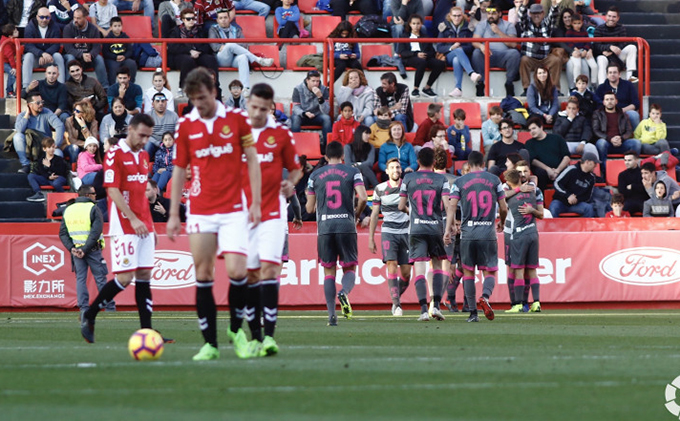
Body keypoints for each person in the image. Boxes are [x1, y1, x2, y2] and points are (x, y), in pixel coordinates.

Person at [166, 67, 262, 361]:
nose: (200, 104)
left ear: (214, 92)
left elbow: (252, 161)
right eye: (194, 99)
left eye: (203, 97)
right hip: (201, 210)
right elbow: (180, 169)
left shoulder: (236, 120)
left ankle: (237, 331)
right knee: (203, 274)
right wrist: (173, 214)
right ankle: (209, 343)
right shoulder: (185, 125)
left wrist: (255, 202)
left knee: (237, 271)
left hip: (234, 208)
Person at [80, 113, 162, 344]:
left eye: (148, 136)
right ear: (131, 129)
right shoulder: (115, 153)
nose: (145, 140)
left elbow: (141, 193)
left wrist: (150, 224)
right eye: (142, 135)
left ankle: (148, 331)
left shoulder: (144, 155)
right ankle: (91, 313)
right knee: (125, 278)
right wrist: (133, 219)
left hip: (143, 223)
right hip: (125, 225)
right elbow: (113, 190)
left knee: (145, 275)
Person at [241, 83, 302, 357]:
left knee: (269, 271)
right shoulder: (235, 132)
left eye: (263, 109)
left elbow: (297, 169)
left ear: (270, 108)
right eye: (253, 107)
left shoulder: (280, 134)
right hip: (243, 213)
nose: (257, 113)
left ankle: (269, 337)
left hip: (274, 212)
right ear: (247, 104)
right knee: (251, 274)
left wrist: (290, 183)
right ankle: (253, 335)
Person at [306, 140, 367, 326]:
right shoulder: (353, 172)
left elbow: (309, 208)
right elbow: (363, 197)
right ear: (343, 156)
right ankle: (344, 292)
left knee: (328, 272)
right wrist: (356, 214)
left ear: (325, 156)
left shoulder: (315, 175)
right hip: (346, 225)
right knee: (349, 268)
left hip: (325, 227)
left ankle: (332, 315)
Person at [446, 151, 507, 323]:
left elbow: (451, 206)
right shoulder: (495, 180)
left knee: (468, 273)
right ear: (483, 163)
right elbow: (503, 208)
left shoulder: (459, 181)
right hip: (487, 232)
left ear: (468, 164)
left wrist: (448, 228)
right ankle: (485, 297)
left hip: (468, 234)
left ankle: (472, 313)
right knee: (489, 272)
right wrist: (501, 222)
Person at [398, 147, 452, 321]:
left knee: (420, 270)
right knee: (437, 267)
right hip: (435, 227)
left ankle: (422, 310)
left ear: (418, 162)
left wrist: (412, 213)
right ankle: (435, 306)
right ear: (434, 162)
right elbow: (446, 204)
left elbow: (400, 206)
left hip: (416, 228)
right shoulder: (441, 179)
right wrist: (448, 226)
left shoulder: (408, 178)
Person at [59, 184, 114, 322]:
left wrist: (72, 248)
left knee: (81, 280)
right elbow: (95, 232)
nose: (96, 196)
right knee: (100, 279)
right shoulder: (93, 208)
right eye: (94, 193)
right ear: (88, 195)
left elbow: (63, 233)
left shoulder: (68, 209)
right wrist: (85, 249)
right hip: (92, 250)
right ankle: (109, 308)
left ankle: (83, 308)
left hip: (76, 251)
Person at [369, 157, 411, 316]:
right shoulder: (379, 189)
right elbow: (374, 215)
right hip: (389, 232)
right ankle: (397, 305)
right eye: (392, 168)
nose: (395, 170)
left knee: (406, 274)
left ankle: (395, 298)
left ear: (401, 170)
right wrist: (371, 238)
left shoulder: (408, 187)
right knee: (391, 265)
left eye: (398, 168)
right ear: (387, 171)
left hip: (406, 232)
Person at [503, 168, 543, 313]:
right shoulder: (533, 193)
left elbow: (501, 197)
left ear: (508, 182)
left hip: (518, 235)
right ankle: (537, 302)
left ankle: (518, 304)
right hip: (533, 233)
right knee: (532, 270)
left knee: (518, 270)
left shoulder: (510, 199)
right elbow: (534, 179)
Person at [209, 7, 274, 91]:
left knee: (243, 57)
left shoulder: (236, 29)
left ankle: (245, 88)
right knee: (230, 45)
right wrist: (230, 47)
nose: (223, 20)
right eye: (220, 18)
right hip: (222, 58)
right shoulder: (213, 29)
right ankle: (257, 59)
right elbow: (214, 46)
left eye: (225, 17)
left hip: (234, 58)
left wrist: (229, 47)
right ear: (217, 20)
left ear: (229, 19)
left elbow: (243, 44)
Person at [167, 8, 220, 99]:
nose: (191, 21)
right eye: (188, 19)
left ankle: (215, 87)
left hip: (198, 54)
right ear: (183, 20)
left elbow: (207, 45)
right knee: (188, 60)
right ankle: (182, 87)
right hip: (180, 56)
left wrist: (198, 51)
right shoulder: (176, 31)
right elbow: (173, 47)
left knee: (211, 59)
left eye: (193, 18)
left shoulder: (199, 30)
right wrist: (189, 51)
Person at [471, 1, 521, 97]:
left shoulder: (508, 25)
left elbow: (514, 44)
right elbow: (474, 41)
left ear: (500, 14)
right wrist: (481, 46)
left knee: (514, 53)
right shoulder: (482, 25)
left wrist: (499, 32)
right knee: (476, 52)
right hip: (486, 55)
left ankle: (509, 83)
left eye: (493, 13)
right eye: (489, 13)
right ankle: (480, 84)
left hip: (503, 56)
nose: (491, 16)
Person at [13, 91, 65, 173]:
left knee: (58, 153)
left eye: (42, 102)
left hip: (45, 145)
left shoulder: (47, 112)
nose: (41, 104)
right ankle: (26, 165)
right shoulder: (22, 115)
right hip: (30, 147)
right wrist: (27, 115)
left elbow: (59, 126)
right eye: (38, 103)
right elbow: (19, 130)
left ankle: (52, 174)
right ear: (30, 105)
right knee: (17, 136)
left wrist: (56, 144)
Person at [517, 0, 562, 95]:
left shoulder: (547, 24)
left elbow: (553, 16)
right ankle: (526, 89)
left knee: (556, 60)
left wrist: (554, 5)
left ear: (543, 13)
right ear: (530, 14)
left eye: (538, 13)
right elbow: (521, 15)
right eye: (533, 13)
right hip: (531, 59)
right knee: (524, 60)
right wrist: (524, 4)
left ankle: (555, 89)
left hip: (545, 58)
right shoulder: (526, 24)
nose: (536, 15)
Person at [592, 91, 641, 175]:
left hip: (621, 142)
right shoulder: (597, 114)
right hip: (606, 142)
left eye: (612, 99)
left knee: (636, 143)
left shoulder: (622, 114)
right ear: (603, 102)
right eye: (607, 99)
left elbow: (629, 130)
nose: (609, 101)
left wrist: (621, 138)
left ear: (616, 101)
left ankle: (633, 171)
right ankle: (604, 172)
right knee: (601, 143)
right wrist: (610, 139)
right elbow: (596, 130)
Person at [398, 14, 446, 99]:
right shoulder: (404, 36)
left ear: (421, 24)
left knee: (440, 64)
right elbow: (402, 52)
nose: (416, 26)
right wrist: (416, 54)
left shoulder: (425, 36)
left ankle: (427, 88)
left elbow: (432, 52)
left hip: (425, 58)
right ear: (410, 24)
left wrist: (424, 54)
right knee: (421, 62)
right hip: (410, 58)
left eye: (418, 23)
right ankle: (415, 89)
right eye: (414, 23)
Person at [437, 6, 481, 97]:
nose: (457, 18)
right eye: (454, 16)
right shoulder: (444, 27)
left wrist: (461, 48)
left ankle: (458, 88)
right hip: (448, 55)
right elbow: (439, 47)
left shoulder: (468, 27)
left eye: (459, 16)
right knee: (456, 51)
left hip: (463, 56)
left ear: (462, 16)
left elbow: (470, 47)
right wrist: (451, 48)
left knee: (457, 59)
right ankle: (471, 73)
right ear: (450, 16)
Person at [62, 6, 109, 90]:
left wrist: (90, 55)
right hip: (74, 56)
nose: (75, 20)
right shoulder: (68, 28)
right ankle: (68, 86)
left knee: (99, 58)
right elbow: (68, 48)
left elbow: (97, 47)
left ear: (85, 18)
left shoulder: (93, 29)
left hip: (88, 57)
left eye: (78, 18)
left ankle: (104, 88)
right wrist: (81, 55)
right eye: (74, 17)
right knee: (70, 58)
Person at [22, 7, 65, 91]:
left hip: (49, 58)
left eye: (47, 17)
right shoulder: (30, 27)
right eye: (42, 17)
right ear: (37, 17)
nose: (44, 20)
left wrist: (46, 54)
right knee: (28, 56)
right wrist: (41, 53)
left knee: (58, 56)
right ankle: (26, 87)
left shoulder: (55, 26)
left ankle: (61, 86)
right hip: (35, 58)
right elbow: (28, 45)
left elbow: (56, 44)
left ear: (50, 17)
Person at [524, 115, 570, 191]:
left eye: (534, 128)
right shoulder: (529, 143)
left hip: (559, 170)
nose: (532, 131)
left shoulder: (557, 138)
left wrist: (557, 171)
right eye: (529, 130)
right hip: (543, 173)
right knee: (540, 173)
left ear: (541, 127)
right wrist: (548, 169)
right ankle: (542, 199)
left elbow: (566, 157)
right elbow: (533, 160)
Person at [593, 6, 637, 83]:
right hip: (605, 55)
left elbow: (623, 43)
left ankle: (629, 76)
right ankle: (602, 85)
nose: (611, 18)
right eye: (609, 16)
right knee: (601, 59)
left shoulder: (621, 28)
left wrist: (613, 50)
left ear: (618, 18)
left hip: (617, 53)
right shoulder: (599, 29)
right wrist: (610, 47)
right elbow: (597, 45)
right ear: (605, 16)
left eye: (614, 17)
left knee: (632, 47)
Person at [291, 70, 332, 151]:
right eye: (313, 81)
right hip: (302, 115)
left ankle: (327, 148)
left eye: (317, 81)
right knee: (295, 119)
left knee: (326, 118)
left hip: (316, 115)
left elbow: (326, 111)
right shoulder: (298, 89)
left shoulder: (324, 89)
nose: (315, 84)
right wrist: (304, 113)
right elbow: (295, 107)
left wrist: (320, 97)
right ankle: (294, 148)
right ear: (307, 80)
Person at [549, 152, 598, 217]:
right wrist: (568, 196)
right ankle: (553, 227)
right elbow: (556, 183)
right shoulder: (571, 169)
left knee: (589, 208)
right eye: (594, 163)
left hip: (576, 204)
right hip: (560, 202)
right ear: (587, 162)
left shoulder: (592, 178)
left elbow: (588, 196)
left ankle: (585, 227)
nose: (596, 166)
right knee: (553, 207)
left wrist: (575, 199)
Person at [594, 64, 640, 129]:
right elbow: (598, 105)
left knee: (634, 115)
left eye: (615, 72)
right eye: (610, 72)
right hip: (608, 112)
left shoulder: (628, 85)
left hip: (624, 111)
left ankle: (636, 136)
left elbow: (636, 103)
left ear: (619, 74)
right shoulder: (601, 87)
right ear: (607, 75)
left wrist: (622, 110)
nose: (612, 74)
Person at [26, 137, 69, 202]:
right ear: (44, 149)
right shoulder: (41, 160)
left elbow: (61, 171)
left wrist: (49, 166)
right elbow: (41, 172)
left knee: (56, 183)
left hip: (58, 178)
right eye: (49, 147)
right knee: (31, 176)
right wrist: (49, 177)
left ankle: (63, 197)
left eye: (53, 147)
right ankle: (38, 193)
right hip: (47, 179)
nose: (52, 149)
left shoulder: (59, 159)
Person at [564, 13, 597, 91]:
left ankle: (593, 83)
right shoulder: (569, 32)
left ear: (582, 23)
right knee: (577, 65)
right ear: (572, 24)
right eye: (575, 23)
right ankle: (576, 84)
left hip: (584, 51)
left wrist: (586, 50)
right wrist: (575, 49)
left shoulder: (584, 31)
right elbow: (568, 42)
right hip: (575, 52)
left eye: (579, 23)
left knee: (594, 66)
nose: (577, 25)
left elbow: (588, 42)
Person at [102, 16, 138, 87]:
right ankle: (111, 87)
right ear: (111, 27)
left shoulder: (126, 37)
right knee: (113, 67)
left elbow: (130, 51)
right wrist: (115, 57)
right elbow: (105, 52)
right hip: (112, 59)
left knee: (132, 63)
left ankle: (130, 85)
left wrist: (124, 56)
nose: (117, 28)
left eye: (119, 25)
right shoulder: (107, 38)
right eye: (115, 26)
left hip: (124, 58)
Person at [64, 99, 99, 163]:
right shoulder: (69, 121)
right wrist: (86, 145)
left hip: (88, 146)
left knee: (94, 148)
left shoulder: (93, 122)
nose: (74, 112)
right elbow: (71, 140)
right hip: (73, 146)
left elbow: (93, 140)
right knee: (75, 148)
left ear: (85, 113)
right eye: (74, 110)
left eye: (77, 111)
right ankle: (73, 169)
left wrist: (84, 127)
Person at [145, 92, 178, 159]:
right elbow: (145, 134)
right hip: (153, 141)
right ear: (152, 104)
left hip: (169, 141)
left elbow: (179, 132)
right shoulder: (147, 116)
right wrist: (158, 143)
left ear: (166, 103)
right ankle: (146, 167)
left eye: (163, 101)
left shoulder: (174, 116)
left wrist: (170, 141)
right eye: (157, 101)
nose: (160, 103)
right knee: (147, 146)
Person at [617, 151, 646, 215]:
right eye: (625, 160)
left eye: (629, 160)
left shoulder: (643, 173)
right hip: (628, 201)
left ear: (636, 160)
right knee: (622, 211)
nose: (626, 163)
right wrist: (638, 188)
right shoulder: (622, 175)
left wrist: (632, 186)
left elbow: (645, 189)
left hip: (643, 201)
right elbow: (622, 191)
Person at [0, 24, 18, 97]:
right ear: (10, 36)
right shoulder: (6, 43)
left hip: (7, 61)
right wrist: (14, 67)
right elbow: (10, 56)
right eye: (15, 31)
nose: (18, 32)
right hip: (2, 61)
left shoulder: (11, 40)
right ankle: (9, 92)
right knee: (12, 73)